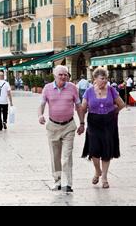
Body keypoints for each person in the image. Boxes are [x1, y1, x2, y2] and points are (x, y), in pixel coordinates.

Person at [37, 65, 85, 193]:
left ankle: (68, 184)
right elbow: (41, 104)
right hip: (52, 126)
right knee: (55, 156)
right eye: (61, 74)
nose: (64, 76)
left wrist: (82, 123)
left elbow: (79, 106)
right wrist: (40, 115)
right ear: (54, 76)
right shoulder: (47, 88)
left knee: (67, 156)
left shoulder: (73, 88)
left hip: (69, 126)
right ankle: (57, 181)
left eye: (66, 74)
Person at [81, 67, 125, 189]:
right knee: (94, 150)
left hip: (108, 123)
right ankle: (97, 171)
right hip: (94, 123)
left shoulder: (111, 90)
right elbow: (83, 108)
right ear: (95, 79)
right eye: (102, 78)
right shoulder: (88, 91)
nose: (105, 81)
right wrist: (81, 121)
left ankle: (104, 177)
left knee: (106, 150)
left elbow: (121, 104)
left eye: (106, 78)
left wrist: (113, 113)